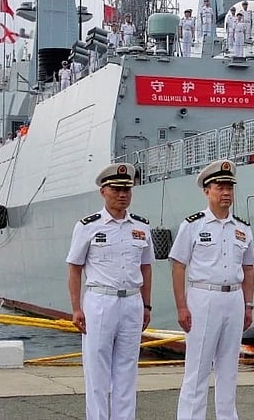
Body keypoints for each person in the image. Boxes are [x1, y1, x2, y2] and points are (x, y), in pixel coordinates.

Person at [169, 159, 254, 420]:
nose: (226, 192)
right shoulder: (193, 225)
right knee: (197, 369)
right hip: (203, 298)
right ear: (207, 191)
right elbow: (178, 266)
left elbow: (249, 268)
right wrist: (182, 306)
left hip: (234, 299)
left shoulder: (242, 228)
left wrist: (248, 305)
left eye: (229, 187)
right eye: (220, 187)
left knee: (229, 368)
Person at [66, 163, 153, 420]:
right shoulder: (88, 226)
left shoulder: (141, 227)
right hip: (100, 301)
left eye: (127, 189)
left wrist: (147, 306)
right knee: (97, 372)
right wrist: (76, 308)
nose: (122, 194)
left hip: (132, 302)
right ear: (103, 191)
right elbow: (74, 268)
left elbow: (146, 268)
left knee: (127, 371)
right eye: (116, 189)